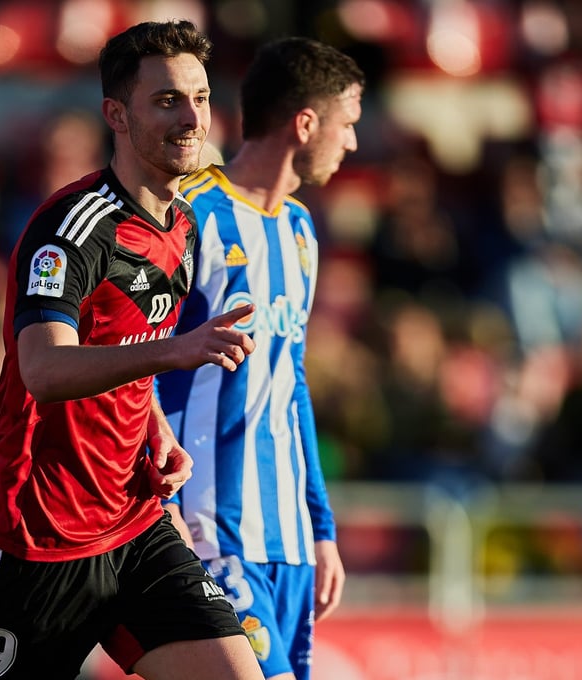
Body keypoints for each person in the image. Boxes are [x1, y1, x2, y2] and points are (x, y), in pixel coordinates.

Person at [0, 20, 266, 680]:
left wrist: (156, 433)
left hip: (133, 524)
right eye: (167, 101)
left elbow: (127, 347)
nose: (191, 118)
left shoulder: (181, 225)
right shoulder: (72, 229)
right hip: (36, 541)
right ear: (116, 115)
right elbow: (44, 369)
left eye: (201, 98)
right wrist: (176, 352)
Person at [154, 37, 363, 680]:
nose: (353, 143)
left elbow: (290, 382)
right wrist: (163, 504)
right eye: (347, 124)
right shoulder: (191, 215)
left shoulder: (301, 229)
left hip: (290, 539)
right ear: (306, 124)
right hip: (212, 527)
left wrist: (321, 528)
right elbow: (141, 363)